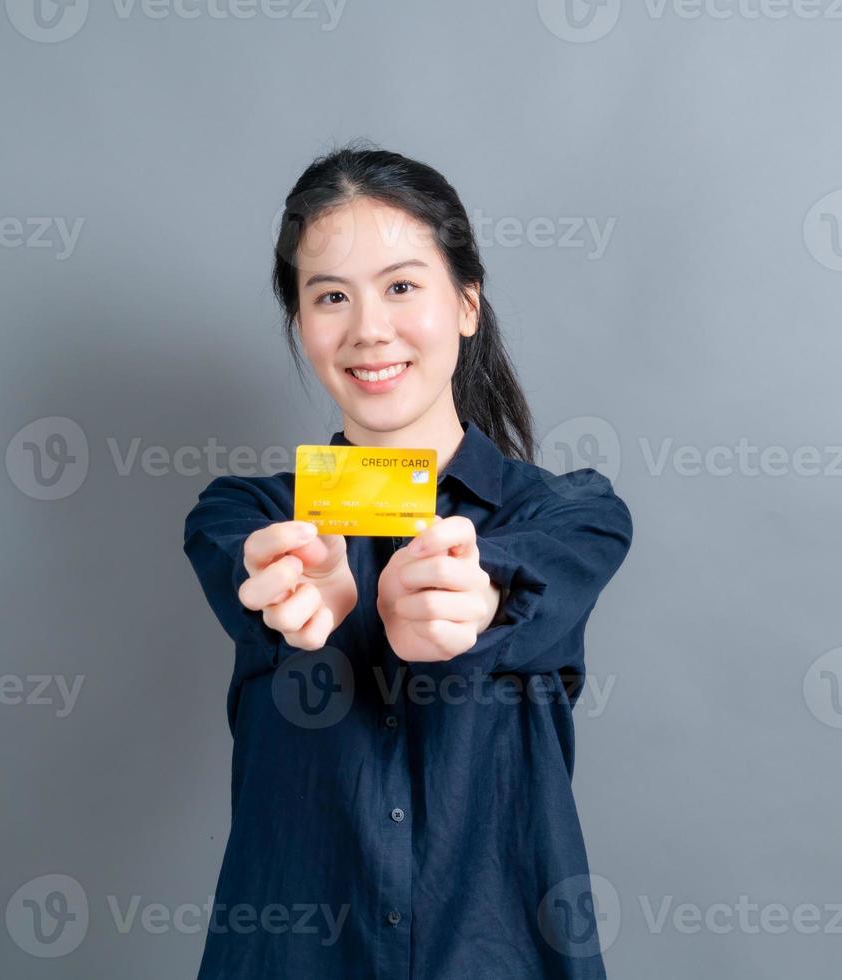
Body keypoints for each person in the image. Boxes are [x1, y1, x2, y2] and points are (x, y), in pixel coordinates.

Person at [181, 142, 633, 979]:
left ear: (466, 303)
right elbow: (237, 563)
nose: (368, 329)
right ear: (301, 325)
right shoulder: (246, 517)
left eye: (400, 286)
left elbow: (532, 574)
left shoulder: (570, 517)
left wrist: (477, 593)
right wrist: (282, 592)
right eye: (330, 296)